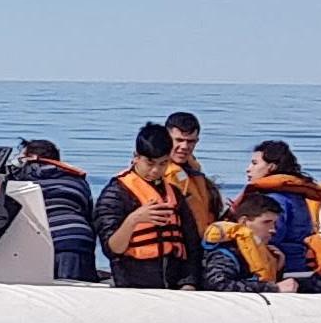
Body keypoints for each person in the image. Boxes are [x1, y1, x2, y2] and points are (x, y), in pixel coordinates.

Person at [96, 122, 196, 289]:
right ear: (136, 157)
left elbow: (190, 243)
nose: (156, 170)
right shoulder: (115, 194)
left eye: (163, 163)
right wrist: (133, 220)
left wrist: (189, 282)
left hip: (173, 285)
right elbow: (112, 249)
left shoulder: (174, 194)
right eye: (150, 163)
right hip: (133, 285)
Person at [241, 140, 321, 276]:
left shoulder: (275, 200)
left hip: (284, 267)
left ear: (271, 167)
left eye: (255, 163)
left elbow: (271, 237)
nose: (248, 168)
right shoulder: (296, 196)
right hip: (300, 263)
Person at [19, 139, 100, 281]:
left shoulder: (22, 176)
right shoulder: (77, 180)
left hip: (46, 241)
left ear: (29, 158)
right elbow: (90, 217)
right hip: (80, 237)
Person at [199, 191, 297, 294]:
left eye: (274, 224)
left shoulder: (266, 253)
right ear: (244, 222)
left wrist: (278, 269)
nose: (273, 230)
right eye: (266, 222)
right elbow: (217, 284)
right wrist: (272, 288)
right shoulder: (226, 253)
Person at [163, 112, 224, 245]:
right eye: (179, 140)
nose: (184, 147)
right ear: (166, 138)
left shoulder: (192, 168)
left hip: (201, 242)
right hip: (177, 246)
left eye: (190, 141)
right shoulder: (158, 172)